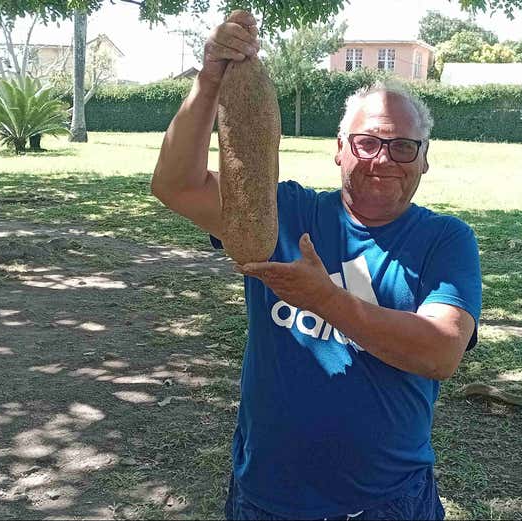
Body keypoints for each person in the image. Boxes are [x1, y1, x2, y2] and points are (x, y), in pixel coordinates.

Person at [152, 10, 482, 521]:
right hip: (269, 496)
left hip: (387, 502)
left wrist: (326, 300)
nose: (382, 159)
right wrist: (210, 79)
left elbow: (439, 352)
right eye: (367, 142)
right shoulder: (281, 212)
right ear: (339, 150)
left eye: (402, 146)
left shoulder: (445, 240)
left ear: (424, 158)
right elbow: (176, 185)